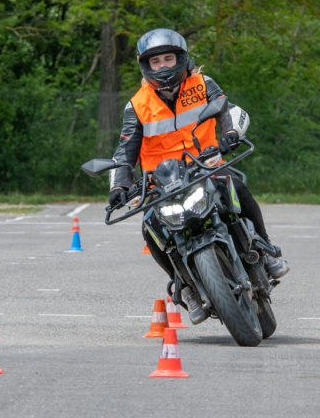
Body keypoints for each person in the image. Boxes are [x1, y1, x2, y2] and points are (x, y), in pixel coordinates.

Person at [108, 27, 288, 323]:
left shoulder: (202, 84)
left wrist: (229, 132)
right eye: (156, 62)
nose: (163, 66)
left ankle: (266, 249)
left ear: (180, 58)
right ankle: (187, 286)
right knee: (150, 228)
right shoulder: (137, 105)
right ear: (146, 65)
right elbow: (125, 149)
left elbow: (224, 109)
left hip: (205, 165)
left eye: (168, 59)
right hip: (162, 183)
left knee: (237, 186)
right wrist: (119, 187)